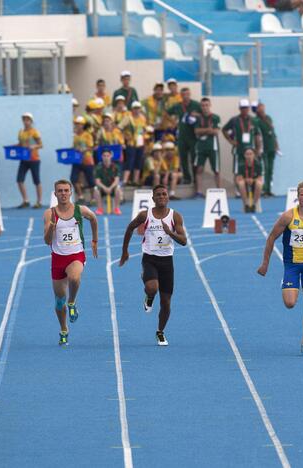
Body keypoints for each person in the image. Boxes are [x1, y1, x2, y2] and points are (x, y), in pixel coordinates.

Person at [257, 181, 303, 356]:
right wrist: (265, 263)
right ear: (297, 196)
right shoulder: (288, 217)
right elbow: (271, 238)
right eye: (302, 194)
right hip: (291, 266)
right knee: (289, 303)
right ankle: (288, 283)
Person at [119, 184, 187, 346]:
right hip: (149, 258)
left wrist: (170, 232)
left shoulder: (175, 216)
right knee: (152, 287)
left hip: (167, 262)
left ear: (168, 197)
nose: (162, 197)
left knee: (166, 303)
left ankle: (160, 332)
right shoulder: (145, 215)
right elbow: (129, 228)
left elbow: (184, 241)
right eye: (158, 195)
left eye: (164, 194)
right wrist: (125, 251)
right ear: (153, 198)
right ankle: (149, 297)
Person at [43, 180, 99, 346]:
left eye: (66, 190)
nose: (63, 193)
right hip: (58, 259)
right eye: (60, 191)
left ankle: (72, 301)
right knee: (59, 301)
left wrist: (95, 240)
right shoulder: (49, 213)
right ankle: (64, 329)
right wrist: (52, 227)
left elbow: (94, 219)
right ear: (55, 194)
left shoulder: (80, 210)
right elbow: (47, 241)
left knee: (74, 278)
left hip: (76, 255)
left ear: (71, 192)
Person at [223, 99, 262, 197]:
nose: (244, 110)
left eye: (246, 108)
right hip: (239, 150)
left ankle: (252, 190)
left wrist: (258, 149)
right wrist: (231, 141)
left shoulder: (254, 120)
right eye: (242, 108)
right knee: (237, 170)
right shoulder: (234, 120)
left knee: (252, 169)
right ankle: (237, 190)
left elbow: (257, 135)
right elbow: (224, 130)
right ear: (239, 109)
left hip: (251, 151)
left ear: (248, 108)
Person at [167, 87, 201, 185]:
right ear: (181, 96)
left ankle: (195, 178)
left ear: (190, 94)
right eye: (183, 95)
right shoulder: (178, 106)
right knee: (183, 158)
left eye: (187, 94)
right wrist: (173, 121)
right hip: (182, 136)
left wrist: (197, 115)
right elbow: (167, 113)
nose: (185, 96)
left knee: (194, 158)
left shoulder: (196, 105)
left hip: (193, 136)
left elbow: (203, 115)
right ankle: (187, 178)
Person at [193, 97, 221, 197]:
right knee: (199, 169)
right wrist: (208, 130)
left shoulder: (215, 117)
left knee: (216, 170)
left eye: (206, 105)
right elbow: (196, 131)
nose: (205, 107)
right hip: (200, 147)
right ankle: (199, 192)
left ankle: (219, 191)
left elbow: (216, 131)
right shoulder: (198, 118)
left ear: (210, 105)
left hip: (213, 147)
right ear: (201, 106)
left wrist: (203, 130)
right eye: (203, 105)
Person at [16, 112, 43, 208]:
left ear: (31, 121)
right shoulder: (21, 132)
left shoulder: (35, 132)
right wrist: (13, 146)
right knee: (19, 179)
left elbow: (41, 144)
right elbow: (20, 144)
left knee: (36, 180)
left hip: (34, 159)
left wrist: (33, 146)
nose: (26, 121)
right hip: (24, 159)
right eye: (24, 119)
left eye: (28, 120)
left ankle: (39, 201)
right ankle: (25, 200)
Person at [254, 102, 279, 197]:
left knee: (271, 170)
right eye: (260, 109)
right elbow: (257, 134)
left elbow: (273, 132)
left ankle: (269, 190)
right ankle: (264, 189)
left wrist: (276, 145)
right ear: (257, 110)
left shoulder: (268, 118)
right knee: (265, 169)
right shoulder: (256, 120)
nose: (262, 111)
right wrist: (258, 149)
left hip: (271, 146)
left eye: (263, 109)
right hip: (263, 148)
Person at [121, 101, 148, 186]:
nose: (136, 110)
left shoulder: (142, 118)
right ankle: (125, 180)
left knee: (138, 161)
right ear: (132, 109)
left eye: (138, 108)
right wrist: (124, 137)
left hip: (140, 143)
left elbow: (144, 129)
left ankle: (135, 180)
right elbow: (119, 127)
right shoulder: (128, 118)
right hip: (131, 143)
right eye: (135, 108)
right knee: (129, 161)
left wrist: (144, 135)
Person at [71, 116, 96, 203]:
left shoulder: (87, 135)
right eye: (76, 124)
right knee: (73, 178)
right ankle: (81, 196)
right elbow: (73, 147)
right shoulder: (74, 135)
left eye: (78, 124)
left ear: (82, 125)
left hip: (87, 159)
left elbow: (91, 147)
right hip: (77, 160)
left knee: (90, 180)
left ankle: (93, 198)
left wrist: (83, 150)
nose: (77, 125)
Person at [93, 149, 123, 215]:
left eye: (108, 155)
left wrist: (110, 188)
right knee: (96, 189)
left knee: (118, 188)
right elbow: (97, 182)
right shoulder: (98, 168)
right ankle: (100, 209)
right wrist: (105, 188)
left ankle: (116, 209)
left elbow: (117, 180)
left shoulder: (116, 167)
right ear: (102, 157)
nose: (106, 157)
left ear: (111, 156)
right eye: (104, 156)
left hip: (112, 188)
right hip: (103, 189)